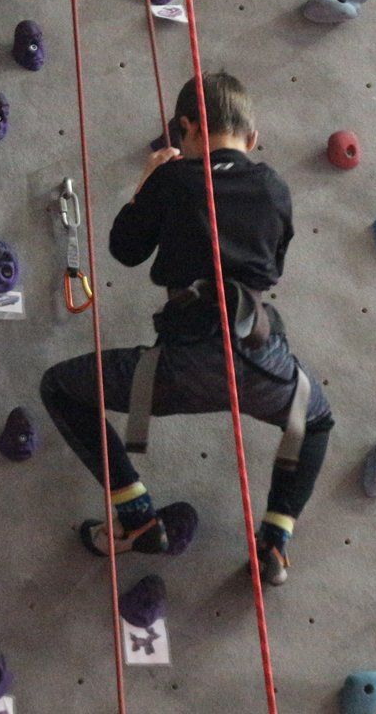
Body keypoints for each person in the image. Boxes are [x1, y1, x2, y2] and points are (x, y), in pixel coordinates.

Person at [40, 71, 334, 586]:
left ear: (185, 130)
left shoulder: (173, 180)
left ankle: (136, 514)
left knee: (61, 388)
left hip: (181, 368)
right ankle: (276, 539)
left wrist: (146, 183)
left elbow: (125, 251)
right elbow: (273, 268)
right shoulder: (274, 186)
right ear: (253, 138)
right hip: (264, 360)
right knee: (317, 421)